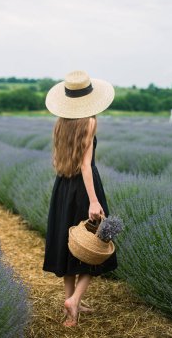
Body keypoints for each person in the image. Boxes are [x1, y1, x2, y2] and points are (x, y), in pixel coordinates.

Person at [42, 70, 118, 327]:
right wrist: (94, 200)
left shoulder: (61, 122)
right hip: (84, 189)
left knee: (69, 243)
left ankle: (70, 304)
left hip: (63, 187)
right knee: (94, 246)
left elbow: (60, 160)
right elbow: (86, 166)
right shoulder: (90, 121)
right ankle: (74, 300)